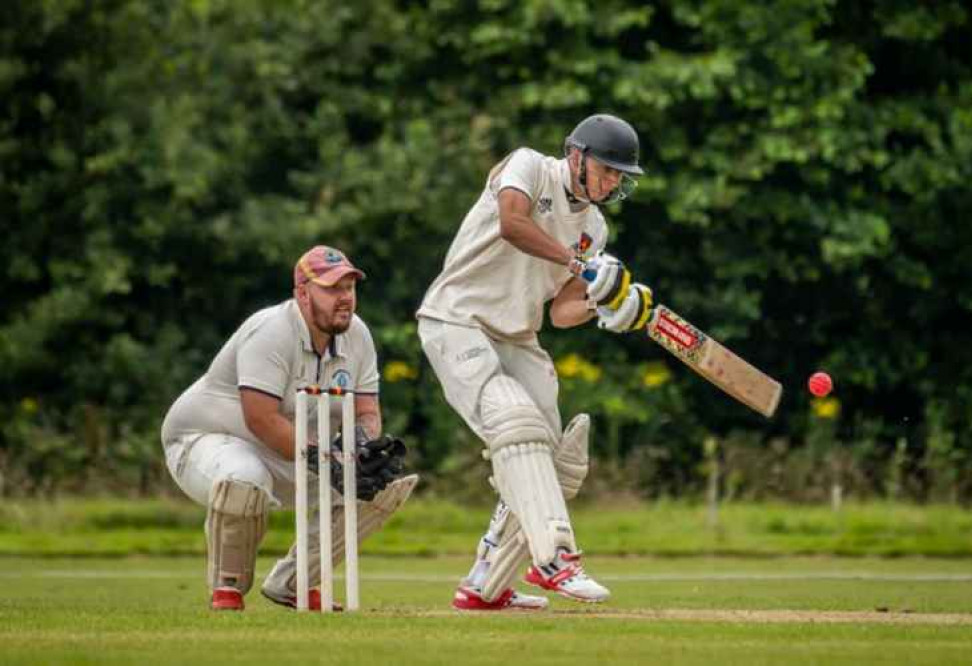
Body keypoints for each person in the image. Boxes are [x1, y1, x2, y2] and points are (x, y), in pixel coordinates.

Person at [417, 114, 652, 611]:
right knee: (516, 425)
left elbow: (562, 312)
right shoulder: (529, 166)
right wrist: (582, 268)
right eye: (607, 170)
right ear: (576, 155)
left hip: (518, 336)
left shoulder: (594, 228)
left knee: (551, 460)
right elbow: (512, 224)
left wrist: (607, 304)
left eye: (619, 176)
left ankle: (486, 583)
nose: (612, 182)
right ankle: (554, 558)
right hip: (456, 318)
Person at [161, 245, 417, 611]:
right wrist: (328, 460)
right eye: (331, 289)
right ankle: (228, 587)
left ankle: (293, 582)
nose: (343, 298)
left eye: (348, 288)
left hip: (285, 448)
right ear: (302, 293)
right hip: (205, 440)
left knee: (380, 488)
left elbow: (366, 410)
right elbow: (260, 418)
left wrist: (359, 447)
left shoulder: (357, 335)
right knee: (243, 479)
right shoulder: (272, 330)